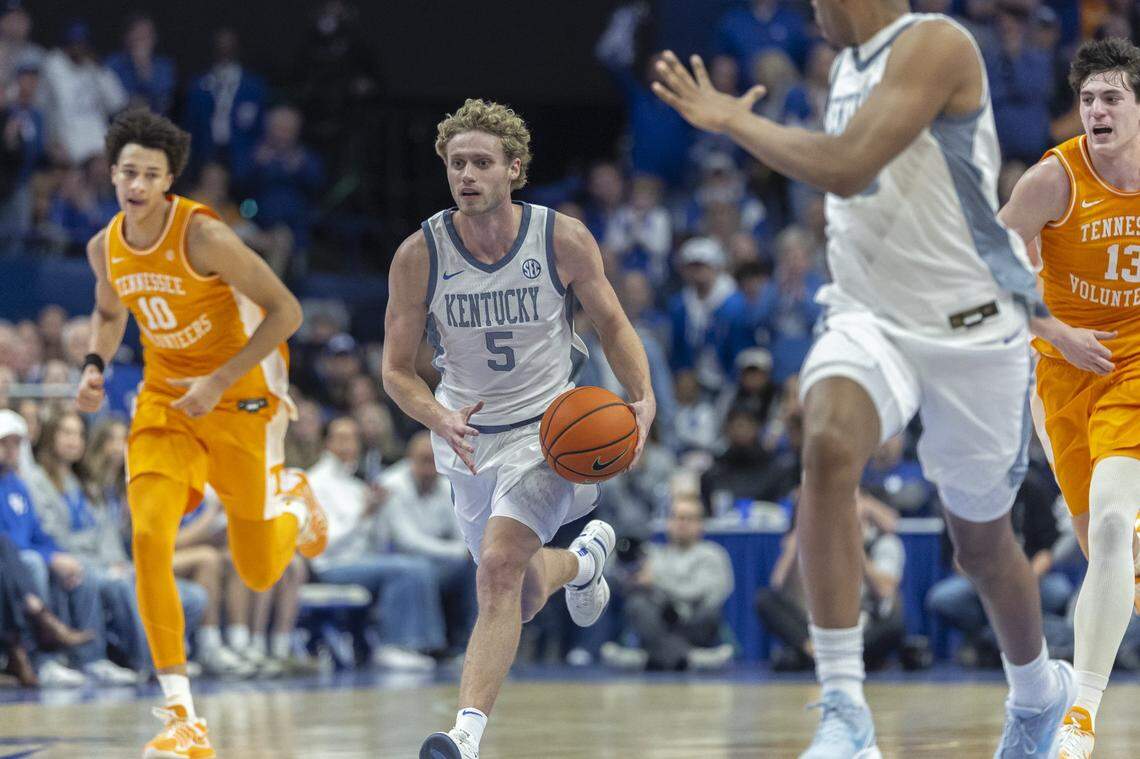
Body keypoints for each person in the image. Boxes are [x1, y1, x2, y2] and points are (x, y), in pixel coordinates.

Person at [652, 4, 1073, 756]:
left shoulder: (936, 45)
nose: (809, 12)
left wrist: (731, 121)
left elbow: (848, 164)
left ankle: (1038, 689)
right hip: (868, 315)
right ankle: (846, 708)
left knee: (980, 546)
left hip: (972, 326)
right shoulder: (845, 63)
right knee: (826, 444)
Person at [382, 98, 655, 759]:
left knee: (500, 569)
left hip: (550, 429)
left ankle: (463, 735)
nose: (467, 174)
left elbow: (614, 324)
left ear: (515, 169)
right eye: (456, 163)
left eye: (481, 162)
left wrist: (643, 401)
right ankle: (583, 561)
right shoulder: (420, 254)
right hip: (467, 436)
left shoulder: (560, 237)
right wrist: (437, 414)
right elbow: (395, 370)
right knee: (523, 592)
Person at [74, 108, 327, 759]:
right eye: (127, 171)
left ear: (168, 180)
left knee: (258, 568)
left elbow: (286, 311)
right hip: (165, 402)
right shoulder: (105, 245)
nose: (136, 183)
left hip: (240, 397)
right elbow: (109, 312)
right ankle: (182, 715)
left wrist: (219, 380)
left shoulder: (203, 236)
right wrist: (96, 366)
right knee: (149, 536)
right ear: (113, 173)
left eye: (149, 174)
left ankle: (293, 500)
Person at [996, 38, 1140, 758]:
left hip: (1136, 366)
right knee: (1100, 545)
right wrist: (1055, 329)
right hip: (1061, 371)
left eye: (1112, 96)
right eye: (1087, 99)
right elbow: (985, 274)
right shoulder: (1053, 179)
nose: (1097, 110)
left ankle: (1080, 713)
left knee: (1115, 524)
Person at [599, 493, 734, 671]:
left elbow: (702, 592)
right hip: (658, 622)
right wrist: (625, 568)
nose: (681, 523)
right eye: (676, 517)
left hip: (693, 620)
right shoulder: (652, 553)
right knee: (637, 605)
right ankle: (691, 659)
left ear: (700, 524)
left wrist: (656, 582)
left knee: (708, 613)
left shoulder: (712, 554)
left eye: (688, 518)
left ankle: (645, 660)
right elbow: (616, 577)